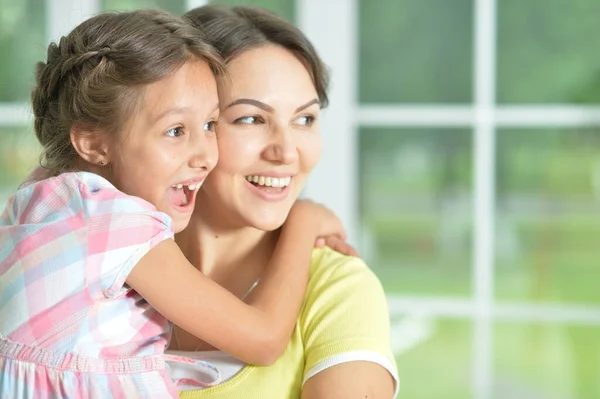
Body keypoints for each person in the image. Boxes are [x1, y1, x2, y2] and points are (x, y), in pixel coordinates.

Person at [0, 9, 349, 399]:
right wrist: (303, 219)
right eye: (175, 130)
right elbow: (264, 340)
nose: (205, 154)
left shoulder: (39, 199)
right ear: (93, 143)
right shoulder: (117, 224)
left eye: (211, 125)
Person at [167, 5, 399, 398]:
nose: (287, 151)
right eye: (251, 119)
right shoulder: (114, 266)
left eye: (305, 119)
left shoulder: (336, 288)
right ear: (182, 128)